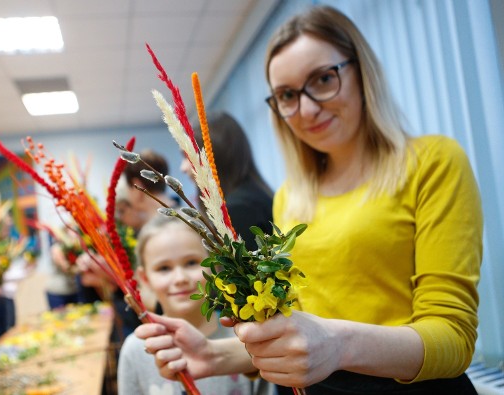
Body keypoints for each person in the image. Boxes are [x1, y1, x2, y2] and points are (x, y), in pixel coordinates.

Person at [135, 5, 482, 395]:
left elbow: (453, 338)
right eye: (287, 95)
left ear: (361, 71)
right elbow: (301, 334)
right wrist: (216, 356)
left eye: (322, 79)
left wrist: (337, 345)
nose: (307, 109)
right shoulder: (291, 196)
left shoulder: (432, 163)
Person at [118, 215, 272, 395]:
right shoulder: (135, 350)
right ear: (145, 278)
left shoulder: (247, 336)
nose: (180, 278)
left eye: (191, 262)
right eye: (164, 268)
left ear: (213, 266)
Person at [183, 112, 274, 251]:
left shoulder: (237, 209)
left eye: (188, 157)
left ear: (212, 157)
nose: (183, 168)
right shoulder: (254, 194)